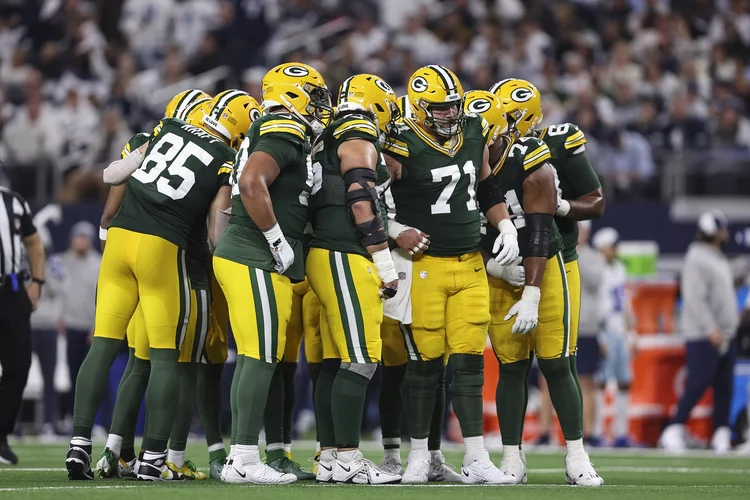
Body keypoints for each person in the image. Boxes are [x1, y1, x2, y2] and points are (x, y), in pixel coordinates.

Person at [66, 85, 239, 481]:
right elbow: (216, 227)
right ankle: (155, 457)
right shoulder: (226, 156)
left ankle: (79, 445)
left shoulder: (160, 131)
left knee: (105, 348)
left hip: (121, 240)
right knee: (166, 359)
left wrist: (107, 231)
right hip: (166, 250)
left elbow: (112, 177)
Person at [382, 66, 519, 484]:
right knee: (424, 366)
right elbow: (367, 194)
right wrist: (393, 230)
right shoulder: (398, 141)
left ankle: (476, 457)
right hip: (423, 267)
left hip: (470, 265)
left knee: (470, 364)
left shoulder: (474, 129)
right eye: (439, 109)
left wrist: (506, 225)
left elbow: (486, 184)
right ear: (420, 107)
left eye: (453, 107)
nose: (448, 115)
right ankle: (420, 456)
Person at [471, 86, 602, 486]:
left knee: (557, 362)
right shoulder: (459, 158)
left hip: (547, 263)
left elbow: (544, 229)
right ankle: (512, 456)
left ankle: (577, 455)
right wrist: (493, 267)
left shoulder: (532, 154)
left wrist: (531, 290)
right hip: (498, 268)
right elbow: (455, 227)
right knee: (509, 367)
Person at [213, 62, 332, 485]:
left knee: (254, 357)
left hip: (245, 253)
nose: (321, 106)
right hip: (255, 254)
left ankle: (241, 455)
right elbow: (249, 183)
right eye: (315, 96)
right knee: (261, 356)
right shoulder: (284, 125)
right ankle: (244, 457)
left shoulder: (273, 127)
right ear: (293, 94)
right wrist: (278, 239)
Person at [307, 73, 401, 484]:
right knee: (362, 359)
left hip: (325, 251)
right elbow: (360, 196)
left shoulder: (328, 129)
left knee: (336, 360)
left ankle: (330, 456)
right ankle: (348, 457)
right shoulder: (357, 127)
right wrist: (383, 261)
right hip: (344, 252)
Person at [659, 210, 739, 453]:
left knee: (725, 385)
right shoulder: (696, 257)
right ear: (713, 231)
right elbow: (694, 299)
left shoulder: (717, 256)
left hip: (726, 331)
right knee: (699, 382)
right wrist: (709, 327)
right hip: (704, 333)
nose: (726, 232)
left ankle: (721, 434)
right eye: (722, 228)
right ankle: (673, 429)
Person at [0, 186, 45, 465]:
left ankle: (1, 435)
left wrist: (37, 283)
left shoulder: (13, 201)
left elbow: (33, 242)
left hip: (12, 290)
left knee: (18, 365)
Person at [591, 227, 635, 447]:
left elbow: (624, 302)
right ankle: (598, 431)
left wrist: (631, 332)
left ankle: (621, 433)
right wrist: (599, 336)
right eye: (613, 246)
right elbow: (595, 306)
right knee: (601, 382)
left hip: (620, 330)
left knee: (625, 381)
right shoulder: (597, 269)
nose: (616, 250)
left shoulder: (619, 268)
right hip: (605, 328)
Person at [60, 221, 101, 426]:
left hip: (91, 325)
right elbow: (59, 293)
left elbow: (101, 297)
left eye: (84, 237)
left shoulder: (98, 263)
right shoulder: (63, 261)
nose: (81, 241)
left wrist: (97, 325)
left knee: (94, 375)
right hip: (70, 324)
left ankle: (95, 420)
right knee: (72, 373)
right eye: (78, 237)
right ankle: (71, 417)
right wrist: (60, 317)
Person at [573, 221, 607, 444]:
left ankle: (589, 432)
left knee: (587, 382)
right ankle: (551, 432)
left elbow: (595, 281)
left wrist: (578, 253)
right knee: (550, 382)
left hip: (586, 327)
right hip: (562, 325)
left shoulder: (593, 257)